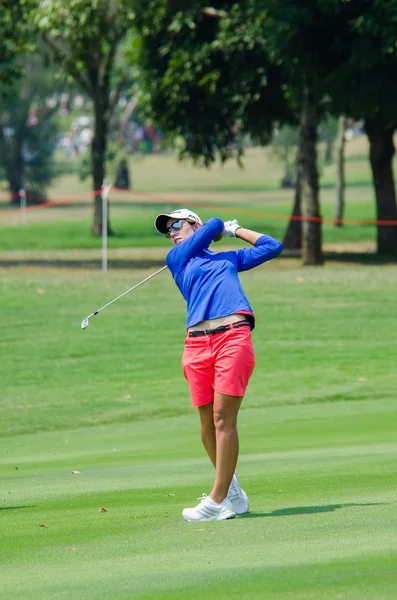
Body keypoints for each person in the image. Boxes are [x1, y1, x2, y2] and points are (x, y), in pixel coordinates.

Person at [154, 208, 283, 521]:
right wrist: (218, 227)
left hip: (232, 338)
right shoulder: (177, 259)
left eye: (177, 225)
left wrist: (236, 229)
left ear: (193, 225)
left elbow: (271, 246)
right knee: (206, 423)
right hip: (196, 344)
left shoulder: (228, 259)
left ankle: (216, 499)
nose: (171, 232)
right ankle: (232, 489)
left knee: (223, 419)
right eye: (168, 229)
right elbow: (212, 225)